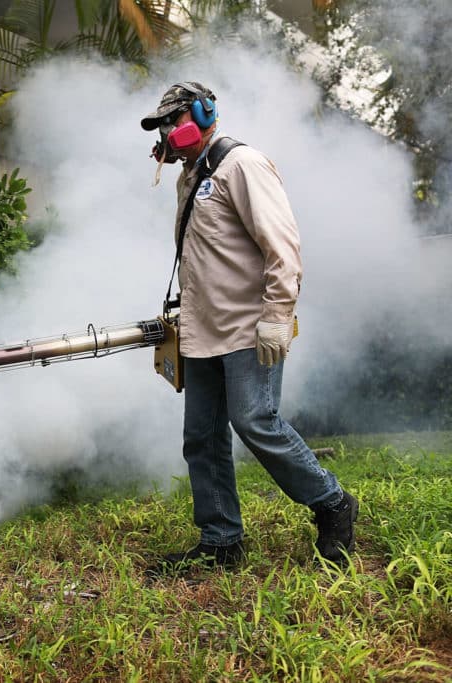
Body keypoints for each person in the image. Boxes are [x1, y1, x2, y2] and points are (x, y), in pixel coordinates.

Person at [140, 82, 358, 570]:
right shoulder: (190, 177)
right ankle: (221, 541)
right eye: (164, 127)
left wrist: (278, 316)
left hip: (247, 328)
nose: (169, 134)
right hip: (202, 331)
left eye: (174, 121)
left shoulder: (243, 165)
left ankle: (332, 503)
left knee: (255, 420)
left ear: (202, 113)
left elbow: (282, 247)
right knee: (202, 436)